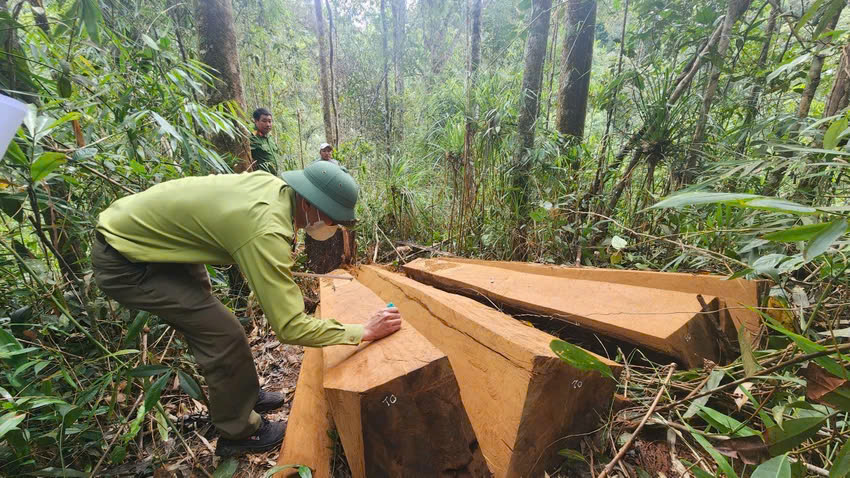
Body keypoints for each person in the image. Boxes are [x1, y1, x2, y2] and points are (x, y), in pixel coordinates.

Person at [90, 162, 402, 456]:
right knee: (223, 336)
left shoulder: (275, 189)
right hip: (126, 260)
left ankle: (244, 396)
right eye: (333, 217)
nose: (333, 226)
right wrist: (363, 331)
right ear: (309, 203)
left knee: (218, 322)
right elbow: (290, 327)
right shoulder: (266, 230)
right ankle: (238, 433)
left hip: (159, 244)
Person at [249, 108, 281, 174]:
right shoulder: (252, 138)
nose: (268, 124)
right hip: (261, 178)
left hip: (274, 177)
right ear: (256, 121)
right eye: (264, 121)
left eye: (270, 121)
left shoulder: (270, 137)